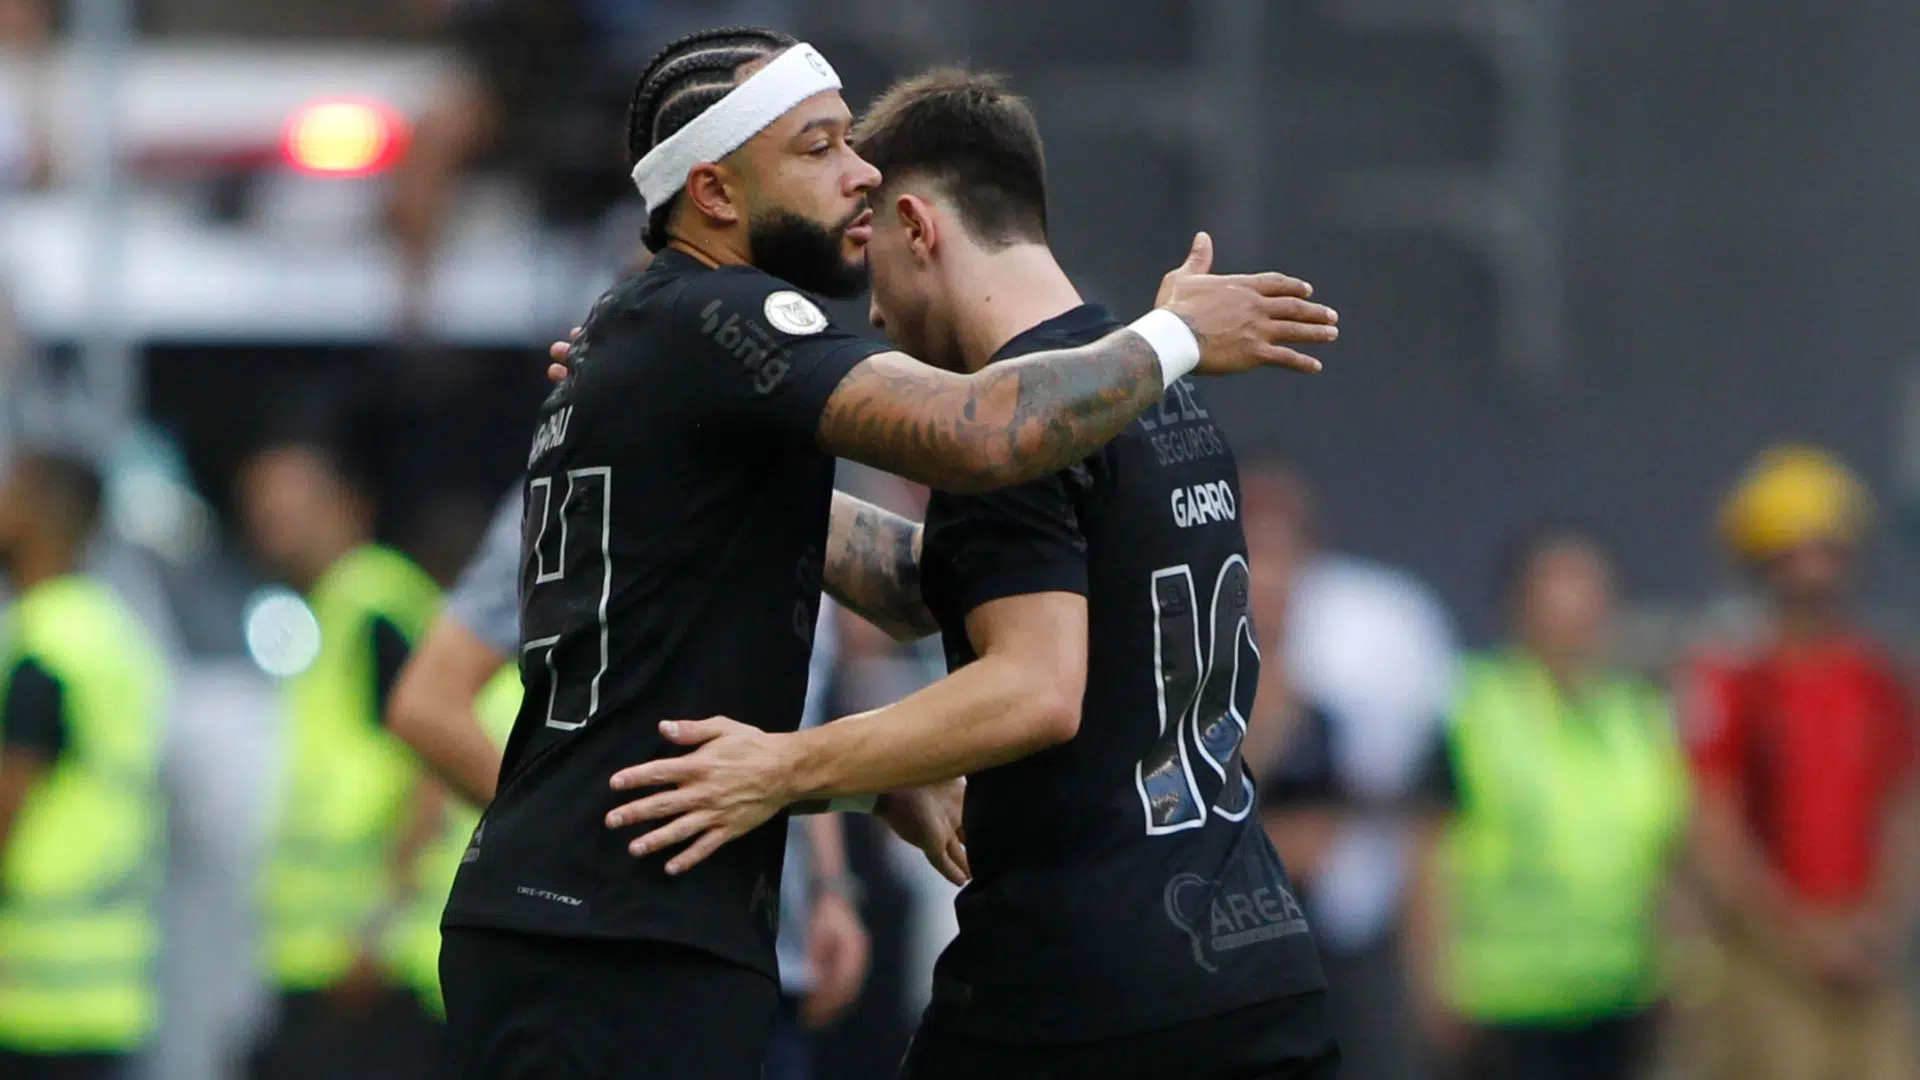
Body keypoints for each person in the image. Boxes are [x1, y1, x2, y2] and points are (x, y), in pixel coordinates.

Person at [442, 24, 1340, 1080]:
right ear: (718, 194)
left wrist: (850, 775)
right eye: (819, 149)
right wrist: (1172, 335)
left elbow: (941, 592)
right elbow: (982, 433)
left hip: (1046, 971)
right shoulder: (1131, 399)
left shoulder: (677, 347)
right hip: (615, 924)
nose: (859, 176)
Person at [384, 489, 872, 1079]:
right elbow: (426, 703)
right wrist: (566, 830)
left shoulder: (792, 488)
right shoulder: (581, 481)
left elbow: (794, 722)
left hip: (767, 958)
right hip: (626, 953)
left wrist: (830, 887)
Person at [1413, 524, 1689, 1080]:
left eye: (1589, 592)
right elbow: (1424, 858)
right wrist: (1429, 981)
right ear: (1519, 606)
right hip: (1506, 1006)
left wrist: (1680, 967)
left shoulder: (1636, 714)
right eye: (1557, 592)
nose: (1576, 611)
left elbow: (1669, 853)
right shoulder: (1473, 709)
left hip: (1620, 997)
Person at [1684, 446, 1920, 1080]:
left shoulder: (1878, 678)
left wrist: (1882, 922)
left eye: (1828, 551)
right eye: (1792, 555)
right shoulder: (1733, 677)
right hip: (1769, 950)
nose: (1813, 573)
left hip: (1867, 941)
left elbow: (1902, 805)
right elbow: (1715, 830)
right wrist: (1801, 938)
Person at [234, 434, 445, 1080]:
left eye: (293, 507)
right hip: (324, 956)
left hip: (375, 963)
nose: (273, 525)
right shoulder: (327, 610)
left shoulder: (376, 602)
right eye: (262, 510)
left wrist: (378, 930)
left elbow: (433, 769)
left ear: (350, 507)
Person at [1243, 463, 1458, 1080]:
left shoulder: (1340, 700)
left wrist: (1429, 970)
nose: (1272, 583)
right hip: (1232, 967)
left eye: (1286, 558)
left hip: (1341, 956)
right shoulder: (1182, 696)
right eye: (1255, 556)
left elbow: (1417, 824)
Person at [0, 451, 166, 1080]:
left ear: (42, 516)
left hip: (36, 992)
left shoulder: (44, 642)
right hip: (111, 981)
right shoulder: (109, 629)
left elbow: (9, 799)